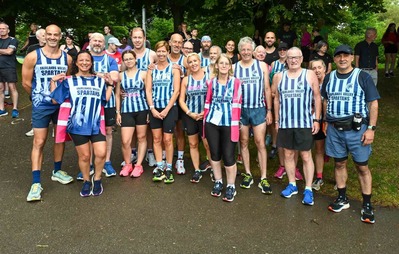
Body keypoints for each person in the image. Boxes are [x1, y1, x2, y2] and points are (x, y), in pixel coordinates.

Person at [322, 45, 380, 224]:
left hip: (357, 130)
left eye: (345, 56)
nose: (342, 59)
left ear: (351, 57)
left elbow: (374, 104)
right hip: (334, 129)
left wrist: (371, 128)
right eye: (338, 56)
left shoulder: (362, 76)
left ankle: (367, 204)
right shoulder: (329, 77)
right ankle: (342, 198)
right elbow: (325, 100)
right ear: (334, 59)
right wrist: (325, 120)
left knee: (362, 167)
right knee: (339, 164)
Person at [50, 51, 114, 197]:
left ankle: (97, 179)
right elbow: (55, 100)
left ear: (91, 63)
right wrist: (52, 82)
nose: (84, 63)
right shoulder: (69, 81)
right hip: (77, 125)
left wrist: (110, 84)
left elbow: (105, 99)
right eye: (81, 60)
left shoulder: (99, 81)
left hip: (96, 123)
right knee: (85, 156)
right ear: (76, 63)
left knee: (101, 153)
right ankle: (86, 181)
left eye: (87, 60)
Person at [22, 24, 74, 202]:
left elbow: (66, 81)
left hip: (60, 105)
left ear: (60, 36)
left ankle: (57, 170)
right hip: (41, 106)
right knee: (39, 141)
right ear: (44, 36)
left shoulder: (66, 59)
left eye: (55, 35)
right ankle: (36, 182)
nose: (52, 37)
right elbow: (26, 83)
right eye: (49, 34)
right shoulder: (32, 57)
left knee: (59, 138)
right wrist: (39, 98)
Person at [272, 47, 321, 206]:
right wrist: (277, 120)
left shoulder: (309, 74)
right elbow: (276, 99)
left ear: (301, 59)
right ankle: (292, 184)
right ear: (286, 59)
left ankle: (308, 188)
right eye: (290, 57)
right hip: (286, 123)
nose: (293, 60)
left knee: (306, 155)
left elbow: (317, 97)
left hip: (304, 122)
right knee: (288, 154)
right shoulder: (279, 76)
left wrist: (317, 119)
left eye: (296, 57)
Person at [234, 37, 273, 194]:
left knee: (260, 142)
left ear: (253, 50)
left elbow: (267, 89)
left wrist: (269, 110)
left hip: (258, 108)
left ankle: (263, 177)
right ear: (239, 51)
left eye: (248, 49)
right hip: (241, 110)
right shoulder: (234, 67)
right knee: (243, 142)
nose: (245, 52)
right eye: (243, 49)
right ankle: (248, 173)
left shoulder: (261, 66)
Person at [203, 54, 242, 202]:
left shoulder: (236, 83)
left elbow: (239, 104)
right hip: (213, 122)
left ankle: (231, 185)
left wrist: (238, 122)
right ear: (217, 66)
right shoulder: (211, 82)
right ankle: (218, 181)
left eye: (227, 63)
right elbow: (208, 102)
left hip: (229, 123)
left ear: (230, 66)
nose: (224, 66)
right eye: (221, 63)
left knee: (228, 155)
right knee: (214, 153)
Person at [146, 41, 180, 184]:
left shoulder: (174, 68)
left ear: (167, 52)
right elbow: (148, 90)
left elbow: (176, 90)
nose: (160, 54)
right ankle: (159, 166)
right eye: (158, 51)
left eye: (163, 51)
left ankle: (169, 167)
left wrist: (166, 109)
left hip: (169, 108)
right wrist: (152, 108)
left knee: (167, 139)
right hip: (155, 108)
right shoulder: (151, 69)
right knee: (156, 139)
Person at [87, 32, 119, 179]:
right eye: (95, 40)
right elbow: (79, 74)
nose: (98, 43)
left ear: (104, 43)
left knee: (108, 131)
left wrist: (93, 74)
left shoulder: (110, 59)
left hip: (108, 101)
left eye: (100, 41)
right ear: (90, 41)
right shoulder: (84, 57)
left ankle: (106, 161)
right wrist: (102, 75)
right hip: (87, 101)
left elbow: (115, 78)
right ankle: (89, 164)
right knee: (88, 132)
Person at [179, 53, 212, 183]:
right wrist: (189, 113)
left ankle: (214, 169)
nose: (193, 64)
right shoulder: (186, 80)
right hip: (191, 115)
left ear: (199, 61)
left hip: (206, 115)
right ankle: (197, 169)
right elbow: (181, 100)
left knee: (207, 144)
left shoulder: (209, 77)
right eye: (190, 62)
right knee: (193, 144)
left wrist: (205, 112)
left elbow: (214, 96)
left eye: (195, 61)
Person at [116, 50, 148, 178]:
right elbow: (117, 95)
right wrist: (118, 112)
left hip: (141, 108)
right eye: (126, 59)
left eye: (131, 58)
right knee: (125, 140)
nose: (129, 61)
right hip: (127, 110)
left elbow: (148, 92)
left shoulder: (144, 74)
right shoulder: (121, 76)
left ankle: (139, 165)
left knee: (141, 138)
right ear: (123, 61)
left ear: (135, 59)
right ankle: (128, 164)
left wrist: (149, 111)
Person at [131, 27, 158, 167]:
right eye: (134, 37)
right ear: (131, 39)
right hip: (132, 97)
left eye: (139, 37)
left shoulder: (152, 54)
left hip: (148, 95)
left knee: (148, 126)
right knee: (134, 126)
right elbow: (123, 75)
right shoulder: (128, 55)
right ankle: (134, 152)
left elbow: (162, 68)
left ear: (144, 38)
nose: (137, 40)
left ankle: (150, 152)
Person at [168, 33, 187, 174]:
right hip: (165, 101)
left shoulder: (186, 60)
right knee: (166, 132)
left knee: (179, 131)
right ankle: (164, 157)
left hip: (181, 100)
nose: (177, 44)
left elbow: (193, 78)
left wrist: (182, 75)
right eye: (174, 42)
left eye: (179, 42)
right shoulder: (161, 58)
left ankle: (180, 159)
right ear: (169, 43)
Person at [309, 59, 327, 191]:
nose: (317, 70)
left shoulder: (330, 82)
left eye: (319, 67)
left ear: (325, 68)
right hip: (314, 119)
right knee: (318, 148)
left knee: (337, 152)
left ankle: (340, 180)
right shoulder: (309, 83)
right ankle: (319, 177)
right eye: (314, 68)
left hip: (329, 120)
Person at [0, 22, 19, 118]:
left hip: (9, 67)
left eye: (3, 28)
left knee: (12, 88)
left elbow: (9, 51)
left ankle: (15, 108)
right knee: (1, 89)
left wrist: (5, 51)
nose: (1, 30)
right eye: (0, 28)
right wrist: (4, 51)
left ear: (8, 30)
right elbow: (6, 51)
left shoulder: (13, 40)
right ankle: (2, 109)